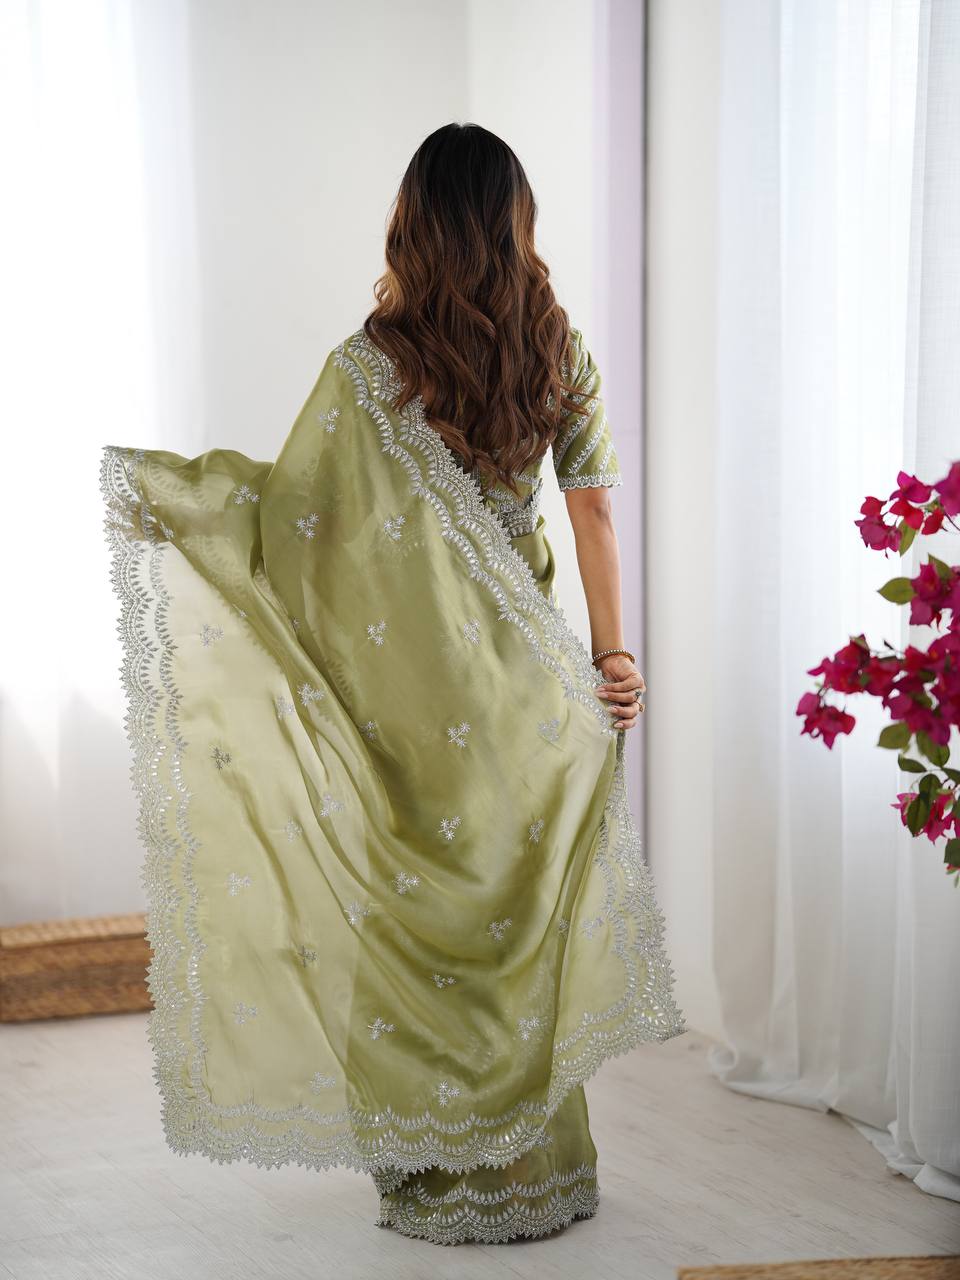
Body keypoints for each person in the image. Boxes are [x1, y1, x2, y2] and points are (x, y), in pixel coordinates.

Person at [100, 121, 685, 1247]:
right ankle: (534, 1172)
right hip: (528, 686)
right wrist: (612, 656)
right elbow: (595, 510)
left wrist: (197, 508)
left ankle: (436, 1172)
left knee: (420, 911)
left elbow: (300, 524)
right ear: (516, 221)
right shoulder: (558, 349)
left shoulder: (369, 368)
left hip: (416, 699)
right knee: (515, 922)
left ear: (410, 225)